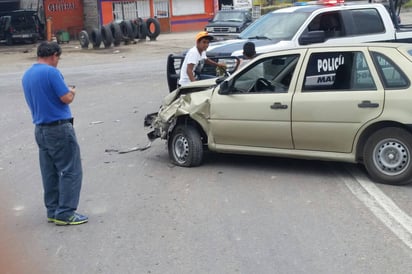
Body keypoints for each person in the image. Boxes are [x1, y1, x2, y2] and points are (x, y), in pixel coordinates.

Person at [22, 41, 88, 226]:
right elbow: (65, 98)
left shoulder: (27, 74)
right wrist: (72, 92)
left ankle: (53, 210)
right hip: (58, 127)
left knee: (49, 171)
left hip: (40, 129)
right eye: (58, 58)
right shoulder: (51, 72)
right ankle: (66, 213)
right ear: (54, 56)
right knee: (70, 170)